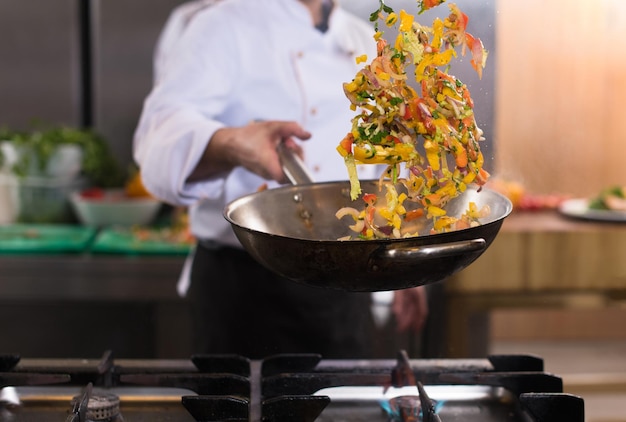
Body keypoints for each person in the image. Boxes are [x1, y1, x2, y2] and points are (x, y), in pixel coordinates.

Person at [133, 0, 428, 359]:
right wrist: (232, 145)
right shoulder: (222, 25)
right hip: (246, 291)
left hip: (345, 291)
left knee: (343, 411)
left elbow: (375, 171)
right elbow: (157, 141)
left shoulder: (363, 39)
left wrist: (396, 263)